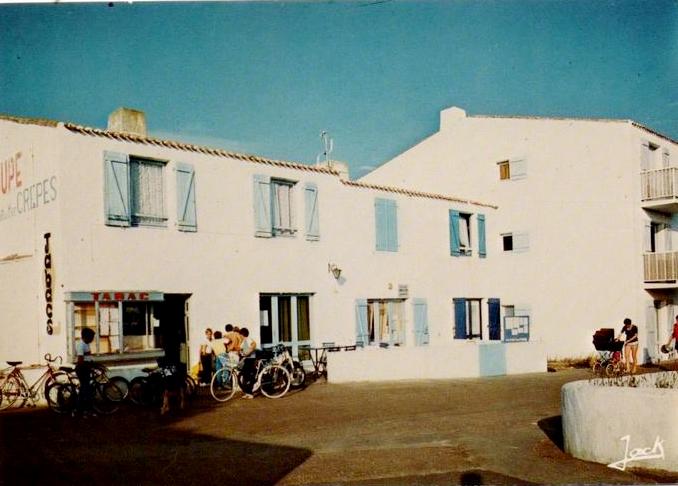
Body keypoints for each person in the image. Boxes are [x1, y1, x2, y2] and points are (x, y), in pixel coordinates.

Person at [75, 327, 96, 417]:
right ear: (86, 337)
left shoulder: (86, 344)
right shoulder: (81, 345)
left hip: (86, 368)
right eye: (91, 337)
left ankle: (84, 410)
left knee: (86, 389)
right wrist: (88, 367)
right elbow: (80, 361)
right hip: (82, 369)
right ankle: (80, 410)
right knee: (85, 390)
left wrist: (93, 364)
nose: (92, 339)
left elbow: (88, 357)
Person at [237, 328, 258, 399]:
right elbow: (240, 348)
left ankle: (250, 392)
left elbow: (254, 345)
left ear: (242, 334)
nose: (239, 336)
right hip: (247, 360)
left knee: (248, 376)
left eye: (240, 335)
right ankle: (247, 392)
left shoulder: (248, 339)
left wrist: (247, 352)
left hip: (251, 360)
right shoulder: (244, 341)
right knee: (244, 375)